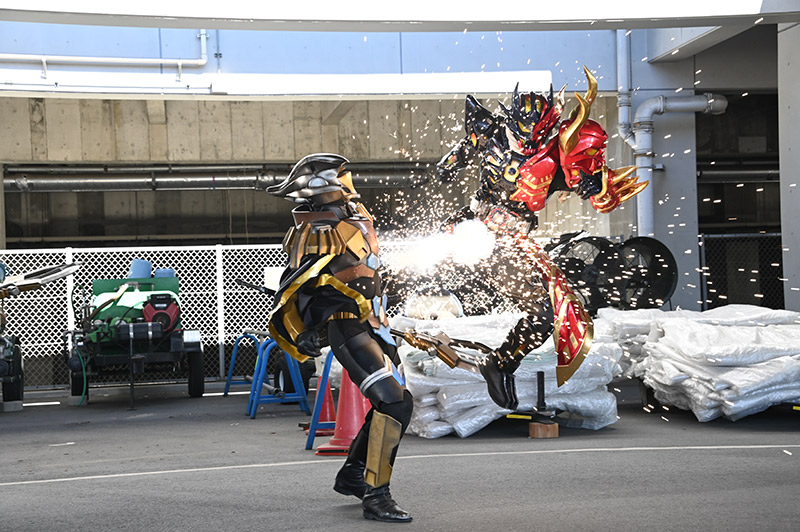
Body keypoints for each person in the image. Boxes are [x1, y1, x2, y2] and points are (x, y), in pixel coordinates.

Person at [436, 67, 648, 410]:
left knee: (543, 314)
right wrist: (450, 163)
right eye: (523, 127)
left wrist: (590, 185)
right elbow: (466, 147)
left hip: (506, 243)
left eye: (537, 129)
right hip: (468, 228)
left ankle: (501, 363)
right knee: (414, 272)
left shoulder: (559, 152)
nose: (527, 138)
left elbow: (598, 195)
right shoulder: (492, 133)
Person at [267, 153, 413, 523]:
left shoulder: (354, 215)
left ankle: (353, 475)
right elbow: (298, 281)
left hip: (374, 324)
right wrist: (304, 331)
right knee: (393, 404)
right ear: (320, 186)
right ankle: (376, 496)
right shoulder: (314, 226)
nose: (348, 183)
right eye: (340, 177)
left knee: (397, 403)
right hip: (347, 327)